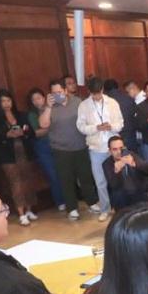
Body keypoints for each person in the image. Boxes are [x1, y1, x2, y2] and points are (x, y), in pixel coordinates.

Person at [45, 82, 101, 220]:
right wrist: (47, 107)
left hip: (81, 146)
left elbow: (88, 119)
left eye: (60, 91)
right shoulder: (50, 107)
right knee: (66, 180)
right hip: (61, 149)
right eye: (54, 93)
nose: (58, 94)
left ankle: (92, 202)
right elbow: (44, 124)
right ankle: (72, 208)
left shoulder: (77, 102)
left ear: (65, 90)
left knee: (86, 177)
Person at [0, 89, 38, 226]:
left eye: (8, 100)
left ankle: (29, 209)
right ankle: (21, 213)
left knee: (28, 180)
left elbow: (31, 132)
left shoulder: (21, 115)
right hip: (7, 154)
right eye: (3, 101)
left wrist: (23, 133)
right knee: (16, 183)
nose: (6, 104)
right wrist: (6, 135)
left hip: (24, 150)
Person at [77, 78, 124, 222]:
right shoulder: (84, 106)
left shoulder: (112, 103)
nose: (97, 96)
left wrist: (111, 127)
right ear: (89, 92)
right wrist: (96, 128)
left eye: (99, 93)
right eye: (94, 94)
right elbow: (81, 126)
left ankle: (121, 208)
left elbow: (121, 123)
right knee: (100, 181)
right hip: (96, 147)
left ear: (103, 90)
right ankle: (105, 209)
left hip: (114, 147)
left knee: (118, 178)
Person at [27, 86, 66, 213]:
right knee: (53, 175)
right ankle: (60, 201)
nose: (37, 101)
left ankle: (69, 198)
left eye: (39, 98)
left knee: (63, 172)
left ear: (44, 98)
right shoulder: (32, 114)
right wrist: (51, 127)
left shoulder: (54, 108)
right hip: (42, 147)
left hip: (57, 143)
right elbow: (37, 132)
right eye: (34, 100)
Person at [102, 136, 148, 210]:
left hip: (138, 191)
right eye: (115, 149)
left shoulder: (131, 155)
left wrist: (134, 164)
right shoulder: (107, 164)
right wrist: (116, 171)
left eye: (121, 148)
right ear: (110, 151)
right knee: (118, 195)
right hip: (122, 195)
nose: (119, 152)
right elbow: (114, 186)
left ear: (124, 147)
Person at [106, 79, 140, 152]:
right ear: (118, 87)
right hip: (130, 135)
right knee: (133, 159)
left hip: (114, 137)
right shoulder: (128, 98)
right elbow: (135, 115)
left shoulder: (105, 102)